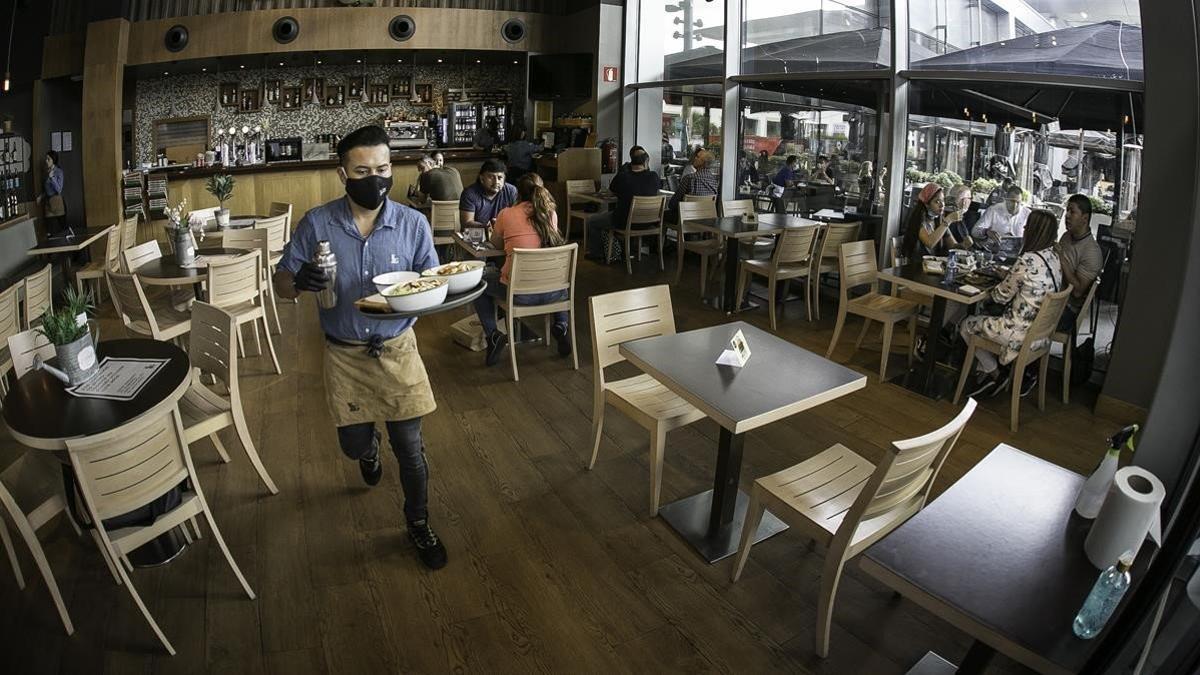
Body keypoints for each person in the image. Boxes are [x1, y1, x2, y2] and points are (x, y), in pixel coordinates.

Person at [272, 125, 447, 570]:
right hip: (344, 353)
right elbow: (281, 283)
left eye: (384, 169)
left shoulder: (413, 224)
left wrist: (429, 294)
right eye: (363, 170)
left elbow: (434, 283)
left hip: (397, 350)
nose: (376, 178)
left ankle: (418, 522)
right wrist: (299, 281)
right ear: (342, 174)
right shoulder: (317, 223)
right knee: (352, 445)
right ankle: (367, 450)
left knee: (410, 448)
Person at [958, 210, 1063, 398]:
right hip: (1040, 334)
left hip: (1017, 334)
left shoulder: (1027, 260)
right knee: (985, 315)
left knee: (966, 324)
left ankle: (995, 375)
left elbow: (1000, 296)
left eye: (1027, 226)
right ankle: (988, 372)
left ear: (1034, 231)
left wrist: (981, 291)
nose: (1024, 228)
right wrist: (1009, 276)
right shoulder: (1054, 258)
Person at [474, 173, 571, 365]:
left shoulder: (506, 214)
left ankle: (493, 335)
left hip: (519, 295)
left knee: (479, 282)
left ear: (517, 193)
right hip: (556, 292)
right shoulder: (551, 214)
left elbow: (495, 245)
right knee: (556, 273)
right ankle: (561, 325)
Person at [589, 149, 659, 258]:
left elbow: (609, 193)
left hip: (624, 221)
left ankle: (598, 255)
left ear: (631, 162)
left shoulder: (622, 177)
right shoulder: (654, 176)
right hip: (649, 223)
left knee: (592, 221)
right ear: (646, 162)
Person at [1056, 193, 1104, 331]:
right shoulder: (1066, 236)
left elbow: (1077, 291)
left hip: (1067, 311)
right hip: (1054, 296)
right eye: (1067, 211)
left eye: (1073, 211)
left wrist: (1061, 257)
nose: (1067, 215)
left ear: (1085, 218)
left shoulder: (1092, 252)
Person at [460, 159, 518, 229]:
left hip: (504, 233)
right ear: (481, 179)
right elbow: (466, 223)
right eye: (491, 177)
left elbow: (517, 218)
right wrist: (487, 227)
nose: (496, 182)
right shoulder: (470, 193)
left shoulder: (511, 191)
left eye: (500, 178)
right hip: (476, 235)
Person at [901, 182, 953, 259]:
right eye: (937, 201)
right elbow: (929, 243)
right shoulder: (919, 220)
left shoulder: (939, 220)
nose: (942, 205)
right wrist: (948, 220)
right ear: (926, 204)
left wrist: (964, 245)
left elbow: (952, 245)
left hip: (934, 266)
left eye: (943, 200)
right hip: (916, 266)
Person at [37, 150, 67, 235]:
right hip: (48, 203)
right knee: (49, 231)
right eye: (46, 159)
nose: (46, 161)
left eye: (48, 159)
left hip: (57, 202)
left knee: (63, 229)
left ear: (53, 160)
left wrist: (52, 178)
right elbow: (47, 190)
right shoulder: (46, 172)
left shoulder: (59, 172)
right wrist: (41, 197)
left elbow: (59, 189)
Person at [946, 183, 978, 249]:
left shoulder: (960, 215)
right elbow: (952, 245)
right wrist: (965, 245)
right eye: (969, 198)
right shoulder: (953, 217)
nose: (970, 201)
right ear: (963, 201)